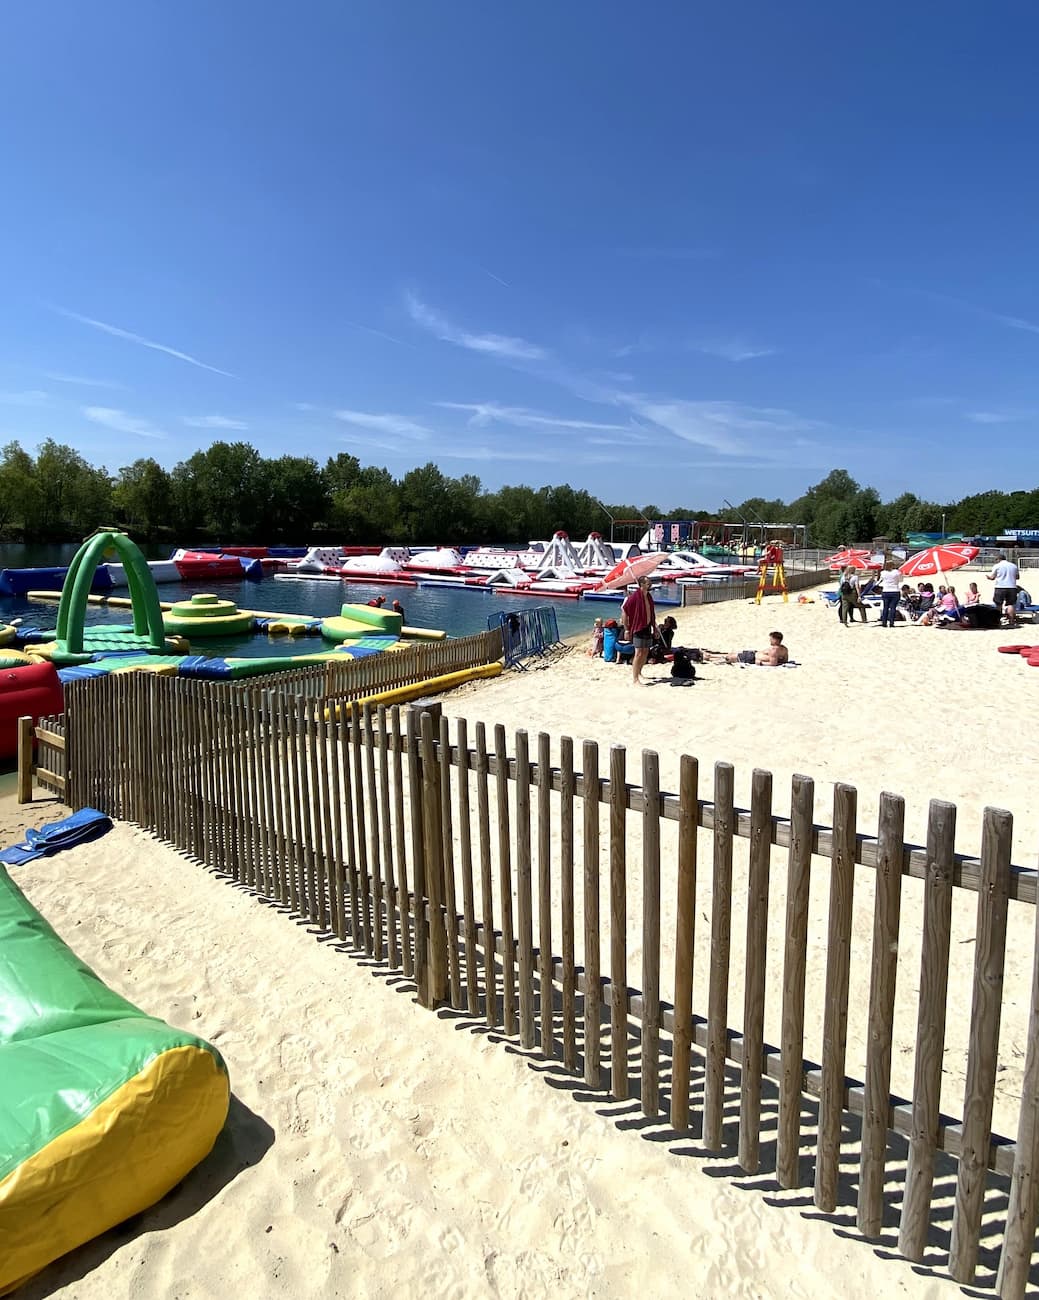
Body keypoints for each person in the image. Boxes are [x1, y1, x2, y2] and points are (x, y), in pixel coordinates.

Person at [620, 575, 657, 685]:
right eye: (648, 583)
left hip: (647, 626)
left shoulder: (648, 596)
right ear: (642, 584)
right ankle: (635, 679)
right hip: (638, 627)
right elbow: (624, 610)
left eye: (650, 582)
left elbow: (651, 613)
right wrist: (626, 629)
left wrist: (655, 628)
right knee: (638, 653)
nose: (650, 584)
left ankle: (639, 672)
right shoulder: (635, 597)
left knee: (645, 651)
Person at [704, 630, 789, 666]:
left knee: (731, 657)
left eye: (771, 639)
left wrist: (761, 663)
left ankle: (709, 657)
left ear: (775, 640)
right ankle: (711, 655)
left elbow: (773, 664)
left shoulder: (774, 650)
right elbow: (785, 660)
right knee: (732, 654)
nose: (769, 640)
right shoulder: (784, 649)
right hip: (753, 654)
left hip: (751, 658)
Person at [988, 552, 1020, 622]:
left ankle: (997, 621)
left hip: (1000, 587)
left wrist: (988, 577)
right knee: (1010, 604)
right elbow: (1017, 577)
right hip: (1012, 587)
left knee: (998, 604)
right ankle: (1011, 620)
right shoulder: (1013, 566)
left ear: (998, 559)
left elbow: (992, 577)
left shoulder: (997, 566)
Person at [877, 559, 901, 628]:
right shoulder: (897, 572)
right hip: (895, 590)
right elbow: (901, 580)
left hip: (886, 591)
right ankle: (891, 623)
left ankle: (884, 622)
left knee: (885, 607)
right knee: (893, 608)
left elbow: (880, 580)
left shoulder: (883, 573)